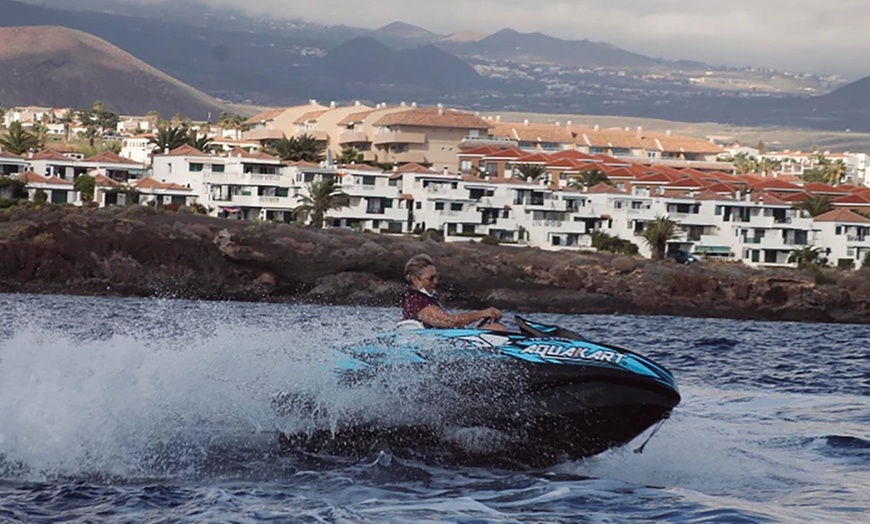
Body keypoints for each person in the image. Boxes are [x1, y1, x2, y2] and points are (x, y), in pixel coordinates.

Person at [401, 254, 504, 329]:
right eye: (431, 278)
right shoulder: (417, 301)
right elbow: (450, 321)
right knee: (497, 328)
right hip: (442, 346)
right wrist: (483, 313)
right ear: (415, 279)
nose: (436, 281)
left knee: (492, 327)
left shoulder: (417, 299)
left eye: (436, 277)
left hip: (444, 342)